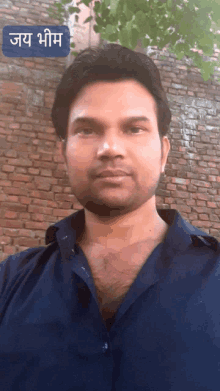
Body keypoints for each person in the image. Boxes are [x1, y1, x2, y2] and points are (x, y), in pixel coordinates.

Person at [0, 43, 220, 391]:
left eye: (134, 129)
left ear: (163, 153)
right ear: (63, 152)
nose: (110, 148)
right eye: (87, 130)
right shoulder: (9, 285)